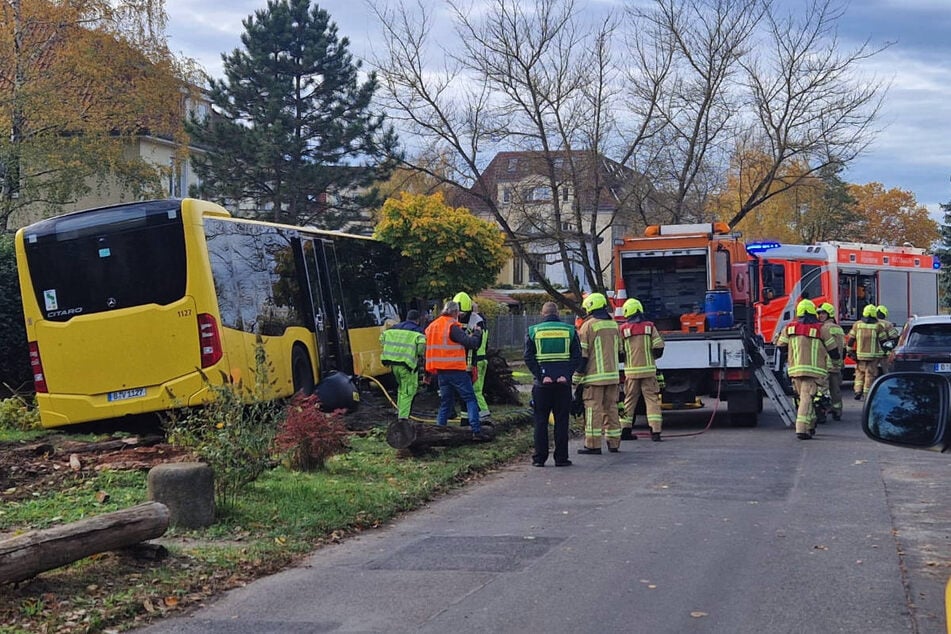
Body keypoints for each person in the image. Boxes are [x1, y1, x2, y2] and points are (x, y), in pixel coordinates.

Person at [524, 301, 582, 467]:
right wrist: (566, 374)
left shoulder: (533, 331)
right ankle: (561, 458)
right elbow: (577, 357)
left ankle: (539, 459)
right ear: (557, 314)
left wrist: (541, 376)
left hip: (542, 385)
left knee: (540, 421)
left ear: (542, 314)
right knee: (562, 421)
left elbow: (528, 357)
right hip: (563, 385)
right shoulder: (570, 330)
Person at [425, 301, 489, 440]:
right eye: (458, 313)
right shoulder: (452, 326)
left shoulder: (432, 326)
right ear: (454, 312)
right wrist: (477, 333)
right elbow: (471, 343)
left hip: (440, 371)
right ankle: (476, 431)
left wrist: (428, 373)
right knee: (470, 399)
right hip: (456, 370)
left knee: (446, 403)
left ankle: (438, 432)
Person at [776, 299, 838, 440]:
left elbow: (780, 347)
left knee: (802, 398)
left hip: (795, 370)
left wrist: (791, 357)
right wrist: (835, 363)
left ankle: (810, 425)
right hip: (814, 371)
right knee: (806, 398)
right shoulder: (821, 329)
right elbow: (833, 350)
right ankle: (802, 429)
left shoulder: (789, 328)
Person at [574, 292, 622, 454]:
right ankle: (614, 443)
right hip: (613, 377)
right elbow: (620, 352)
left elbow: (583, 356)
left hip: (594, 378)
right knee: (611, 409)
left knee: (593, 411)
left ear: (590, 307)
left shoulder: (588, 326)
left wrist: (576, 377)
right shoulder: (614, 325)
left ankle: (593, 445)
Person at [619, 298, 665, 441]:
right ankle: (655, 432)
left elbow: (619, 353)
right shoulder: (650, 327)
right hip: (649, 372)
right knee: (652, 401)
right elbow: (659, 347)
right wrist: (650, 358)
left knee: (629, 401)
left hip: (631, 372)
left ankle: (625, 431)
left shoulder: (623, 329)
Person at [379, 309, 426, 423]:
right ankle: (403, 419)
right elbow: (421, 349)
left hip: (393, 364)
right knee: (408, 391)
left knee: (401, 388)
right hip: (407, 365)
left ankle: (399, 411)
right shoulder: (418, 331)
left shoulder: (394, 328)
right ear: (418, 320)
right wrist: (419, 354)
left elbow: (382, 339)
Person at [453, 291, 491, 422]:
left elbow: (474, 343)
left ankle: (483, 414)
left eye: (462, 314)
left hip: (475, 361)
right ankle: (475, 416)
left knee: (475, 390)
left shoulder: (476, 323)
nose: (460, 316)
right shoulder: (481, 322)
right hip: (480, 359)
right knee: (474, 390)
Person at [846, 303, 889, 401]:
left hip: (860, 356)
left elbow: (851, 340)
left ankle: (857, 391)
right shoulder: (878, 326)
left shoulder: (857, 325)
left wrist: (849, 351)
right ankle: (866, 394)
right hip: (873, 357)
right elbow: (883, 342)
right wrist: (887, 352)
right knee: (870, 375)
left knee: (859, 373)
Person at [817, 302, 845, 421]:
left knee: (822, 390)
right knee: (835, 390)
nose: (820, 316)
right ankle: (837, 411)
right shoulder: (839, 328)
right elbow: (843, 348)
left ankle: (822, 412)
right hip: (836, 364)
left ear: (830, 314)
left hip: (824, 364)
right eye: (819, 313)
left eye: (823, 313)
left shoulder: (823, 328)